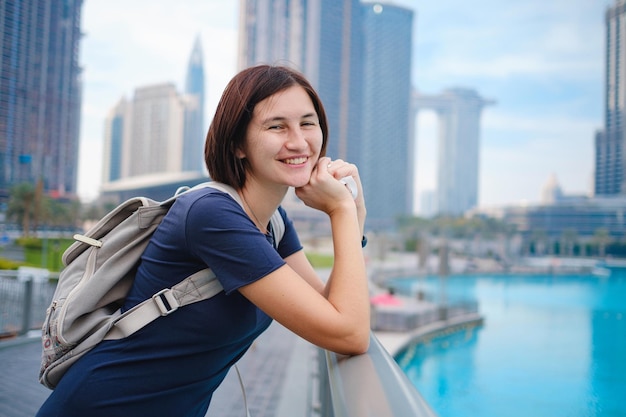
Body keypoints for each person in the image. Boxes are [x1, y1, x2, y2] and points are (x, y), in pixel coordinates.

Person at [36, 64, 369, 417]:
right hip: (104, 405)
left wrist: (354, 214)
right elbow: (348, 334)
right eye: (277, 126)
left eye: (307, 122)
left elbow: (331, 309)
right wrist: (341, 212)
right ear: (238, 143)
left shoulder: (273, 222)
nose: (299, 141)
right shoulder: (211, 215)